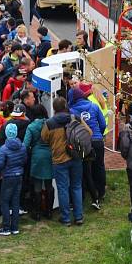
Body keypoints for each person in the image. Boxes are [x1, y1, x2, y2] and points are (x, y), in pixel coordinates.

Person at [41, 97, 84, 226]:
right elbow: (86, 132)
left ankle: (65, 218)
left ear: (54, 108)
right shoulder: (75, 118)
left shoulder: (49, 123)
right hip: (75, 156)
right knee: (76, 186)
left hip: (59, 159)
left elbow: (44, 138)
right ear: (65, 106)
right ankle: (78, 216)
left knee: (63, 188)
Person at [69, 86, 106, 210]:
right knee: (99, 166)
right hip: (97, 140)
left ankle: (86, 194)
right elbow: (103, 124)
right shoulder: (94, 106)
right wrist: (99, 134)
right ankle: (100, 192)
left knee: (86, 170)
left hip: (83, 143)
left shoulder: (72, 110)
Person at [0, 123, 28, 236]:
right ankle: (15, 227)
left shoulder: (3, 149)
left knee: (4, 201)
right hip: (19, 175)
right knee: (15, 201)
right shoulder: (22, 146)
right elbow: (24, 160)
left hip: (8, 176)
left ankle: (6, 227)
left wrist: (2, 171)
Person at [23, 104, 54, 220]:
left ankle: (37, 212)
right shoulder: (50, 124)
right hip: (49, 154)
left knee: (37, 185)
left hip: (36, 156)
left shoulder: (31, 126)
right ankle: (49, 211)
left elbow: (25, 145)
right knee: (48, 184)